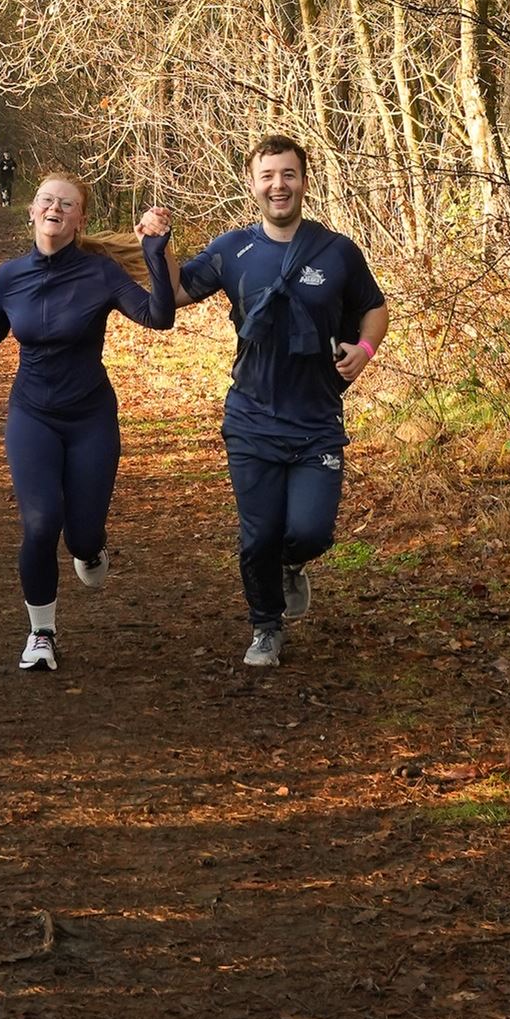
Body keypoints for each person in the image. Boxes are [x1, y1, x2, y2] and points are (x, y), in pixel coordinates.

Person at [146, 134, 387, 668]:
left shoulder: (337, 251)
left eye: (288, 175)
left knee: (310, 531)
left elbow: (374, 307)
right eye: (268, 176)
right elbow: (176, 293)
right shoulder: (233, 250)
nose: (279, 185)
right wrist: (159, 245)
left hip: (316, 417)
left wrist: (365, 349)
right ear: (253, 185)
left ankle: (291, 563)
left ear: (304, 181)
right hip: (252, 415)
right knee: (258, 535)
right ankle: (265, 627)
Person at [0, 173, 178, 671]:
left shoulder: (100, 273)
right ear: (31, 210)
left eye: (66, 204)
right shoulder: (9, 275)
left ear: (79, 220)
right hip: (33, 415)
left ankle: (89, 551)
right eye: (46, 200)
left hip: (91, 418)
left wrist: (154, 251)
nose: (55, 208)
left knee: (82, 536)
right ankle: (41, 633)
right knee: (42, 522)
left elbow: (158, 316)